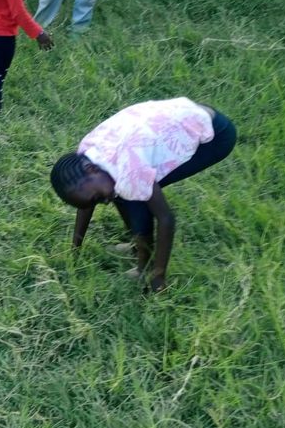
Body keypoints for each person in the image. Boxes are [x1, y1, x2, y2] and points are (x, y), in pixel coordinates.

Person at [50, 98, 237, 293]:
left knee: (136, 197)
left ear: (91, 169)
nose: (104, 202)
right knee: (124, 192)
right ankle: (137, 245)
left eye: (98, 198)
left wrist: (158, 277)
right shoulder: (86, 156)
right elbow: (86, 204)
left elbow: (165, 218)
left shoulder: (129, 169)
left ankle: (144, 268)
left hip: (216, 136)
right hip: (184, 116)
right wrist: (75, 248)